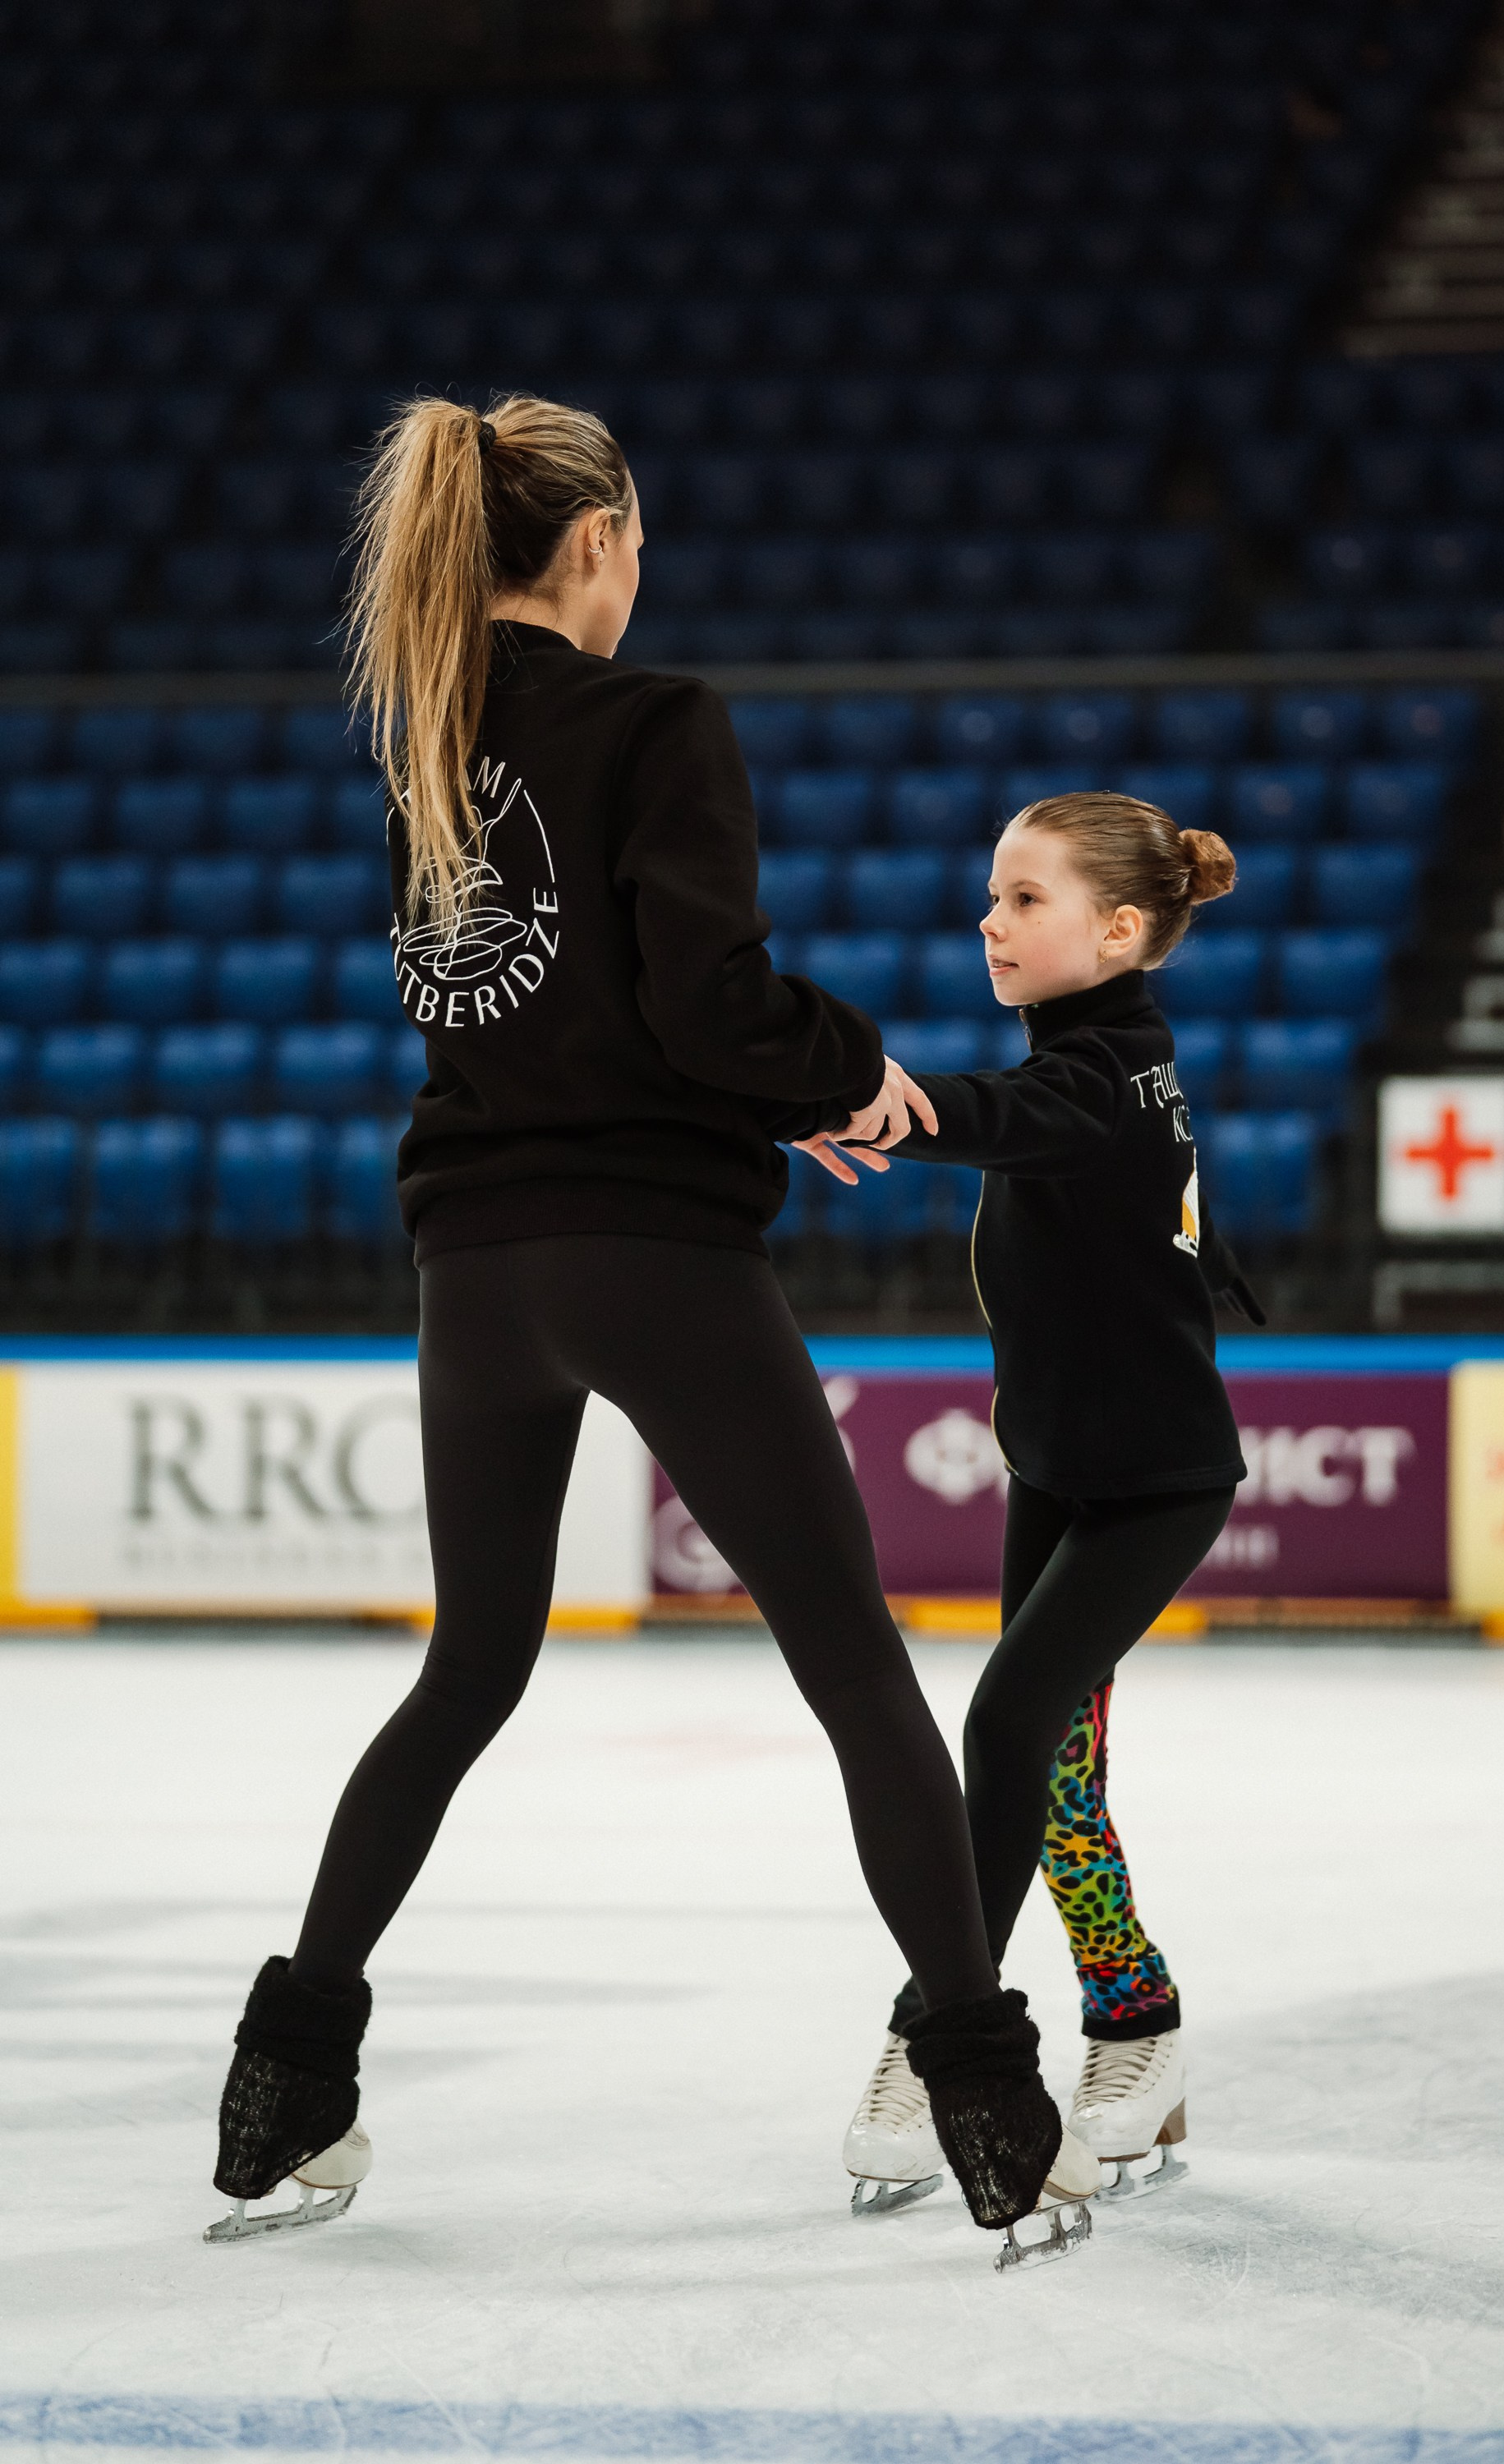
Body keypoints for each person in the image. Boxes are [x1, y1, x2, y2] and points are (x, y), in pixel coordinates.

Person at [205, 394, 1102, 2259]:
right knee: (858, 1673)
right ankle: (996, 2120)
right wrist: (847, 1072)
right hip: (653, 1257)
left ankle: (283, 2099)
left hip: (479, 1272)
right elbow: (702, 1004)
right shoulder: (655, 721)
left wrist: (770, 1087)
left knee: (468, 1673)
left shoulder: (429, 749)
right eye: (639, 541)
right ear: (600, 540)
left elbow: (544, 1003)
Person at [793, 790, 1263, 2210]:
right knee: (1055, 1776)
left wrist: (849, 1092)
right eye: (993, 895)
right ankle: (1137, 2023)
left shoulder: (1107, 1076)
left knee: (1007, 1729)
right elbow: (1009, 1115)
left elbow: (996, 1118)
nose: (990, 922)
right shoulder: (1106, 1060)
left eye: (1025, 901)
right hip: (1064, 1468)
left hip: (1157, 1483)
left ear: (1119, 931)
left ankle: (945, 2035)